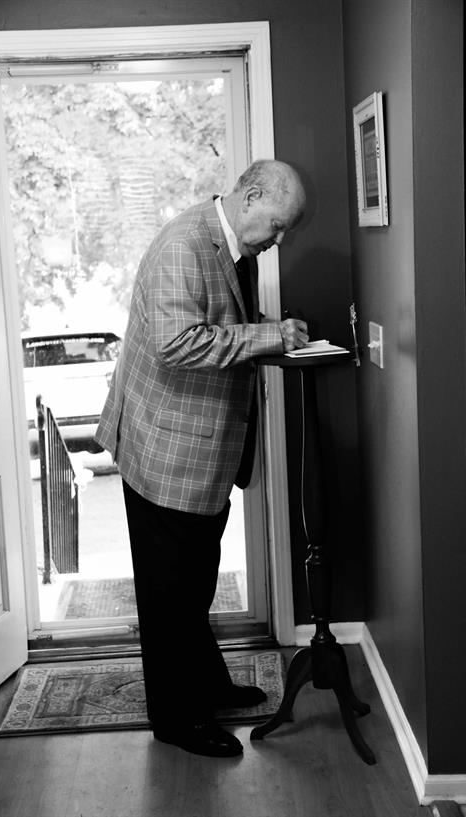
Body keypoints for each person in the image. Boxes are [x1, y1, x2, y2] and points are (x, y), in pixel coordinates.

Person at [95, 159, 308, 758]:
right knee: (169, 596)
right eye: (278, 225)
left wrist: (272, 328)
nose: (279, 239)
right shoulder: (183, 246)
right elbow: (176, 342)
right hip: (165, 450)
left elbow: (223, 322)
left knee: (194, 585)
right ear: (252, 195)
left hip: (201, 453)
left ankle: (207, 685)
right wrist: (268, 339)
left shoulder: (231, 244)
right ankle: (176, 720)